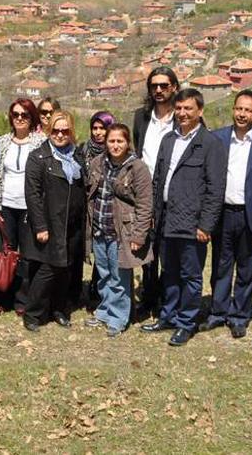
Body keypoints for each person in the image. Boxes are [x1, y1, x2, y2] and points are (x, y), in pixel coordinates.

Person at [141, 88, 226, 347]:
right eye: (178, 108)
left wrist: (206, 225)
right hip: (166, 219)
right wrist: (154, 214)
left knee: (190, 275)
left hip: (192, 223)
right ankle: (168, 315)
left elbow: (215, 189)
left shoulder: (210, 144)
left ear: (200, 111)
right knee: (170, 271)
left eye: (188, 108)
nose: (182, 113)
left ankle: (186, 322)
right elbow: (158, 180)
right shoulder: (168, 139)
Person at [199, 90, 252, 339]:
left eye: (248, 110)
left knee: (246, 268)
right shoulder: (218, 138)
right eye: (239, 108)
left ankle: (239, 316)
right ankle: (218, 312)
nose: (242, 114)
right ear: (233, 109)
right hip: (223, 213)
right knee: (221, 266)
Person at [84, 124, 154, 337]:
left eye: (119, 141)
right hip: (99, 228)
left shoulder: (137, 168)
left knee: (120, 275)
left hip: (122, 231)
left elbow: (145, 204)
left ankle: (119, 317)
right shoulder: (98, 163)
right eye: (111, 141)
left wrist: (139, 235)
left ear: (127, 143)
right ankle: (105, 310)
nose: (115, 145)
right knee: (104, 274)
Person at [22, 111, 86, 331]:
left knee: (66, 269)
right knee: (49, 269)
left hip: (72, 224)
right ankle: (32, 313)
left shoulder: (77, 156)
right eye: (56, 130)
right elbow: (32, 194)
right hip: (51, 223)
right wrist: (40, 226)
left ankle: (59, 309)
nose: (60, 134)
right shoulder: (38, 157)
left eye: (65, 130)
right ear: (49, 131)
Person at [0, 98, 45, 314]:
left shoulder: (41, 142)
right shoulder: (2, 142)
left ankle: (23, 300)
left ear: (32, 118)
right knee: (5, 252)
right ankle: (2, 296)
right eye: (16, 115)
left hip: (30, 207)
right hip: (7, 205)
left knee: (28, 255)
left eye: (25, 115)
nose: (20, 118)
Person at [130, 66, 179, 318]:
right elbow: (137, 153)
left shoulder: (183, 117)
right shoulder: (141, 117)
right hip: (146, 193)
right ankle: (149, 298)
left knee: (170, 252)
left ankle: (169, 302)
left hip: (174, 195)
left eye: (164, 85)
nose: (159, 90)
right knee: (147, 251)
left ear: (174, 88)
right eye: (154, 86)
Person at [76, 110, 116, 308]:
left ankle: (98, 288)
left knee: (104, 250)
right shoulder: (83, 149)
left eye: (103, 128)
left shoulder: (117, 151)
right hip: (84, 205)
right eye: (95, 128)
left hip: (105, 208)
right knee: (85, 247)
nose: (98, 132)